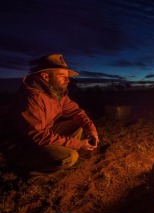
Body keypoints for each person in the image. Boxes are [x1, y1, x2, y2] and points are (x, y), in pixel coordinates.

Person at [0, 54, 99, 183]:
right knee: (70, 156)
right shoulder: (32, 97)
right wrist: (79, 144)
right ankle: (31, 172)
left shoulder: (55, 92)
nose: (67, 80)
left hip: (40, 135)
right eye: (62, 76)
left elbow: (76, 112)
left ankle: (53, 156)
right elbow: (38, 135)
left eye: (67, 76)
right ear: (45, 76)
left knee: (77, 123)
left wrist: (91, 129)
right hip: (19, 145)